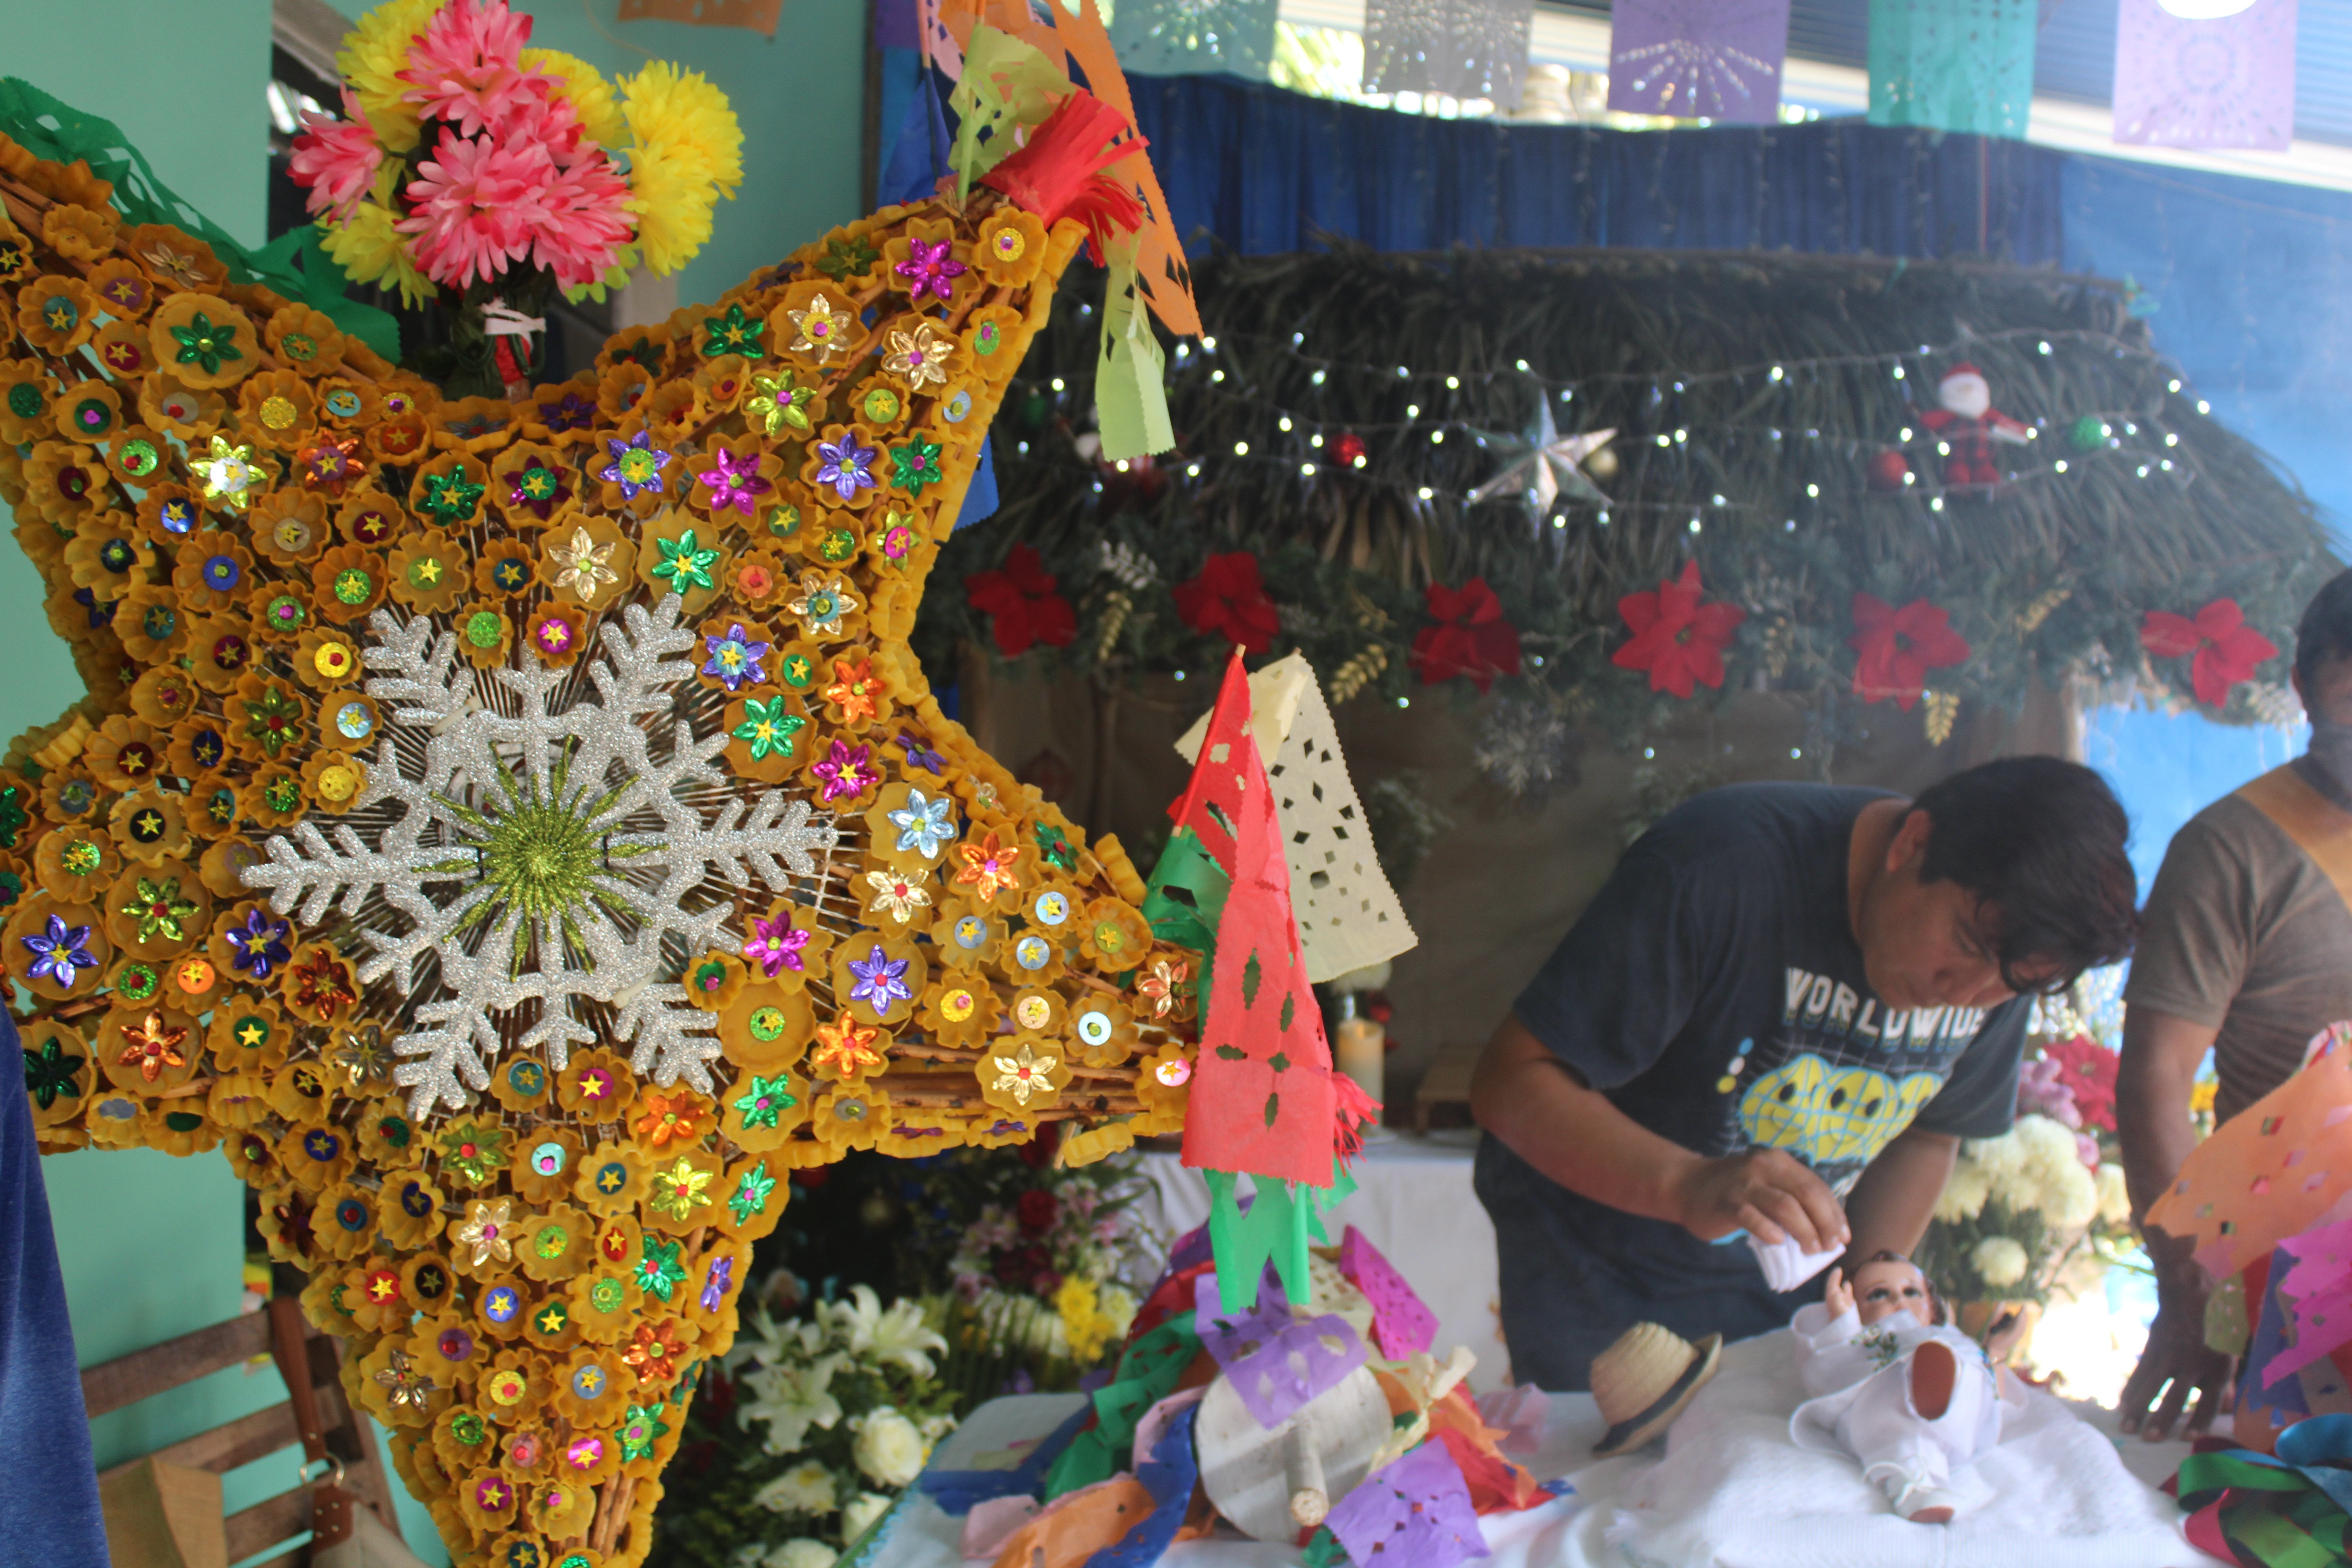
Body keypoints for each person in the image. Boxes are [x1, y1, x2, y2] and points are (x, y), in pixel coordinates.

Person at [1470, 757, 2139, 1392]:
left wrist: (1875, 1289)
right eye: (1964, 945)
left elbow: (1930, 1134)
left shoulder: (2002, 965)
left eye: (2012, 983)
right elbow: (1511, 1082)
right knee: (1614, 1497)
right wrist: (1686, 1185)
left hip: (1784, 1292)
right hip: (1599, 1270)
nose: (1962, 993)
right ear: (1912, 844)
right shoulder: (1720, 869)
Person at [2116, 570, 2352, 1441]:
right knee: (2300, 1508)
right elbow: (2156, 1076)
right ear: (2302, 687)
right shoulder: (2234, 847)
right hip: (2297, 1285)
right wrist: (2196, 1290)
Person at [1789, 1252, 2025, 1523]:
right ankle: (1916, 1487)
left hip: (1955, 1422)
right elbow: (1826, 1373)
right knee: (1898, 1421)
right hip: (1880, 1412)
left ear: (1933, 1304)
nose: (1898, 1300)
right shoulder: (1864, 1341)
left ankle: (1942, 1387)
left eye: (1911, 1292)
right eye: (1878, 1295)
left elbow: (1996, 1398)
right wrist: (1842, 1324)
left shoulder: (1952, 1338)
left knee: (1971, 1368)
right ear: (1855, 1307)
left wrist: (1997, 1349)